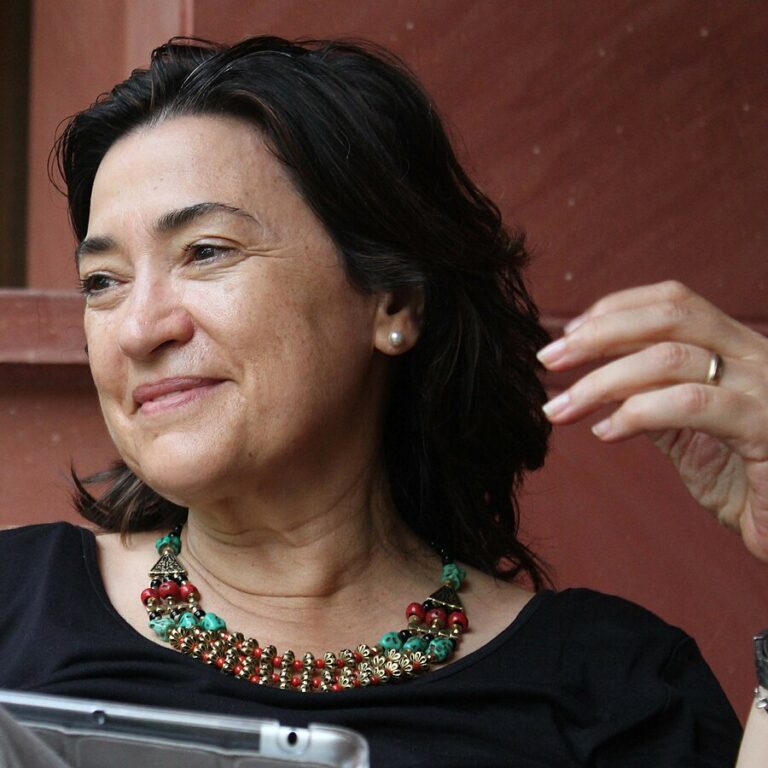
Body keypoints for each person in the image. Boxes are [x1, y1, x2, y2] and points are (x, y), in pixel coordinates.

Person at [0, 34, 761, 765]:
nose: (139, 329)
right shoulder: (15, 603)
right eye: (103, 281)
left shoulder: (610, 688)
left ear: (392, 301)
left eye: (205, 251)